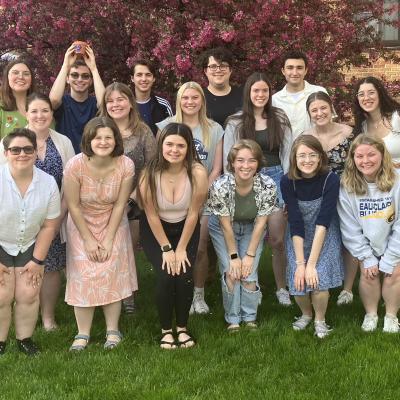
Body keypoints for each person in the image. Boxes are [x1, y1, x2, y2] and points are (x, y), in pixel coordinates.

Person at [63, 116, 137, 351]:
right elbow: (73, 205)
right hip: (81, 222)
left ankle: (112, 330)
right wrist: (88, 239)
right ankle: (82, 333)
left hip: (113, 221)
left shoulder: (126, 165)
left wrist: (107, 238)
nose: (103, 142)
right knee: (84, 275)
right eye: (98, 137)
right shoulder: (75, 165)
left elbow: (120, 205)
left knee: (111, 270)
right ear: (88, 139)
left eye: (108, 137)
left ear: (116, 140)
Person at [223, 72, 293, 306]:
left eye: (265, 91)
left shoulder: (279, 118)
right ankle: (244, 281)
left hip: (275, 179)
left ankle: (281, 287)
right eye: (256, 91)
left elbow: (288, 155)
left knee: (277, 238)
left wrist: (288, 187)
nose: (260, 95)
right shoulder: (236, 121)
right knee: (242, 233)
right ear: (248, 93)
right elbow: (229, 159)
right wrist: (231, 188)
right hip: (245, 179)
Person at [138, 122, 208, 348]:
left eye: (180, 145)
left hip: (186, 228)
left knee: (185, 273)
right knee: (167, 274)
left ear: (189, 148)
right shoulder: (148, 174)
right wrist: (167, 249)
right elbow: (150, 214)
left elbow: (194, 213)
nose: (174, 150)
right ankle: (166, 330)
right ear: (161, 145)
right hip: (156, 229)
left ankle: (183, 327)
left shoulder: (197, 172)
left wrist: (181, 248)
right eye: (169, 144)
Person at [157, 81, 223, 314]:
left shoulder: (214, 129)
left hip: (202, 196)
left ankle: (198, 293)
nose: (190, 102)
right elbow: (159, 162)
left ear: (202, 101)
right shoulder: (166, 126)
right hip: (172, 197)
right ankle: (175, 290)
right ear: (178, 100)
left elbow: (216, 168)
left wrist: (202, 190)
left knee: (200, 247)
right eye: (185, 98)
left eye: (195, 98)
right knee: (174, 248)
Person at [0, 128, 60, 355]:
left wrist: (37, 260)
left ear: (35, 153)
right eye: (15, 149)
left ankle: (25, 339)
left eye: (28, 149)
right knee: (2, 295)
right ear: (6, 153)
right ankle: (0, 342)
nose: (22, 154)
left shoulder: (48, 183)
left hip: (30, 243)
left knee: (28, 293)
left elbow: (49, 225)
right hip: (1, 243)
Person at [208, 139, 277, 330]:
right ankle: (233, 319)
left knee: (248, 273)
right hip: (223, 228)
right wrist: (234, 256)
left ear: (258, 163)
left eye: (251, 160)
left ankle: (249, 318)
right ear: (232, 163)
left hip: (251, 227)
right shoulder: (221, 186)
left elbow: (262, 222)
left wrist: (250, 255)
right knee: (232, 272)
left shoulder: (268, 185)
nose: (245, 166)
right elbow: (225, 224)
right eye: (240, 160)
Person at [99, 82, 156, 313]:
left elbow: (151, 167)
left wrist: (131, 198)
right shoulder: (99, 129)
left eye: (120, 99)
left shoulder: (143, 131)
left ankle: (128, 297)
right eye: (110, 101)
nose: (115, 104)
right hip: (102, 200)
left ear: (130, 103)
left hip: (135, 200)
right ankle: (103, 293)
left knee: (127, 248)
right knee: (105, 249)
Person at [281, 135, 343, 338]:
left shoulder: (330, 179)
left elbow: (324, 220)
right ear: (294, 159)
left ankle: (320, 319)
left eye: (312, 155)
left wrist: (312, 263)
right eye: (302, 156)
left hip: (323, 232)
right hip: (298, 233)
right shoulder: (287, 181)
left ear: (320, 158)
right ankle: (306, 314)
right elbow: (296, 220)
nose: (307, 160)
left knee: (318, 279)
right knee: (298, 282)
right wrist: (301, 264)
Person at [338, 135, 400, 333]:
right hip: (366, 240)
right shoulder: (347, 185)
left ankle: (391, 315)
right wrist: (366, 256)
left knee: (394, 272)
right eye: (360, 156)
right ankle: (371, 314)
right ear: (353, 159)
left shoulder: (397, 180)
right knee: (368, 273)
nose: (366, 161)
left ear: (382, 155)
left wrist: (391, 256)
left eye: (371, 154)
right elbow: (349, 227)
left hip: (393, 237)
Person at [303, 91, 356, 305]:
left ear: (331, 108)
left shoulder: (349, 132)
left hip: (347, 192)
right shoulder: (306, 137)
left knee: (350, 238)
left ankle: (348, 288)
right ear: (309, 113)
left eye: (323, 107)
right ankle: (323, 276)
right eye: (314, 110)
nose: (319, 113)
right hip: (319, 195)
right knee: (323, 236)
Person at [49, 43, 105, 153]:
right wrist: (65, 65)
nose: (80, 79)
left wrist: (93, 69)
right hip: (66, 159)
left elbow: (105, 103)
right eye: (74, 75)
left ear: (90, 81)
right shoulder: (63, 102)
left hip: (92, 160)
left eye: (85, 76)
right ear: (67, 79)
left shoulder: (94, 103)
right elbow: (53, 101)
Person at [272, 51, 329, 139]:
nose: (295, 73)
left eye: (299, 68)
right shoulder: (275, 100)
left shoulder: (319, 92)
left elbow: (330, 122)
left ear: (306, 70)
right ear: (283, 71)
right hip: (287, 152)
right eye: (290, 68)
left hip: (316, 150)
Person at [353, 76, 400, 167]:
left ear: (380, 94)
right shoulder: (362, 127)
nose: (366, 98)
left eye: (371, 93)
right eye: (361, 94)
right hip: (377, 179)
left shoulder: (397, 117)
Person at [200, 47, 242, 127]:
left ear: (230, 70)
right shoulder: (199, 97)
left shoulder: (243, 95)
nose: (218, 70)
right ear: (205, 71)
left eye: (223, 66)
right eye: (213, 66)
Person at [131, 59, 173, 135]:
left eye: (148, 75)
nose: (144, 79)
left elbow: (171, 134)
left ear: (153, 78)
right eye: (139, 75)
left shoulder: (164, 105)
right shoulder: (126, 105)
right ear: (132, 78)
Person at [0, 59, 35, 138]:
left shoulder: (42, 109)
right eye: (15, 73)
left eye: (26, 74)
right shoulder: (1, 109)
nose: (21, 77)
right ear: (7, 78)